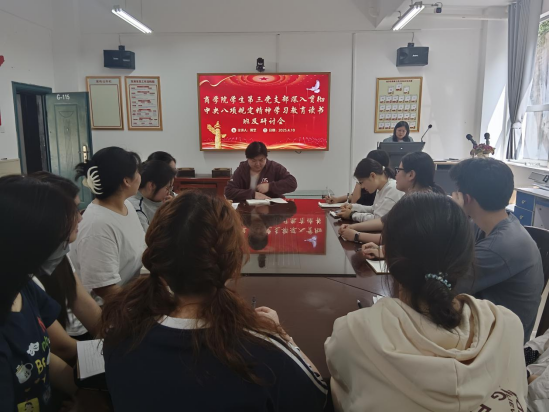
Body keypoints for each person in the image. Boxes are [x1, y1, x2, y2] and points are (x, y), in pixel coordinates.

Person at [101, 192, 328, 412]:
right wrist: (283, 337)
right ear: (232, 262)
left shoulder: (119, 335)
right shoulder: (265, 353)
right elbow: (319, 398)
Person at [325, 192, 529, 412]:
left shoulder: (353, 334)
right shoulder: (508, 325)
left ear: (388, 256)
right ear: (467, 258)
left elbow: (339, 384)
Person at [0, 176, 79, 412]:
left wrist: (84, 393)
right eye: (61, 240)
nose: (65, 248)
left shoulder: (23, 286)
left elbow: (43, 358)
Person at [450, 158, 544, 343]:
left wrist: (455, 216)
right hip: (484, 322)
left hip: (498, 343)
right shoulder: (491, 224)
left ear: (466, 198)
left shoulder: (500, 246)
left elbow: (447, 284)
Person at [68, 147, 146, 337]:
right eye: (137, 171)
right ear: (126, 181)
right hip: (98, 319)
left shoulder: (126, 206)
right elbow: (106, 290)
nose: (140, 176)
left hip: (125, 302)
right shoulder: (97, 225)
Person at [30, 172, 102, 340]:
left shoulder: (58, 252)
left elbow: (82, 303)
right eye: (72, 211)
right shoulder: (25, 274)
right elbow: (62, 348)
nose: (80, 218)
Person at [339, 152, 444, 246]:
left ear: (411, 175)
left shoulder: (419, 202)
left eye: (399, 170)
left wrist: (356, 235)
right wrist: (353, 227)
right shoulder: (411, 198)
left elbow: (394, 239)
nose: (395, 175)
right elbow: (384, 220)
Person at [336, 158, 403, 226]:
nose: (362, 187)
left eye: (362, 182)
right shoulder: (381, 188)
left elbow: (378, 220)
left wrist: (352, 215)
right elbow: (373, 209)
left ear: (372, 176)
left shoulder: (392, 189)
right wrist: (353, 207)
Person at [225, 141, 298, 202]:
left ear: (266, 158)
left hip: (273, 208)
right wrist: (253, 194)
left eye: (261, 160)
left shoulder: (274, 167)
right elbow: (229, 191)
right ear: (247, 159)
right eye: (253, 160)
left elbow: (292, 183)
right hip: (247, 209)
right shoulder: (242, 169)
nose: (257, 164)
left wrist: (270, 186)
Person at [325, 150, 394, 206]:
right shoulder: (375, 185)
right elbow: (353, 197)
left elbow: (355, 202)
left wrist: (359, 182)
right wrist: (337, 199)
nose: (362, 186)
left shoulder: (378, 188)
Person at [128, 160, 177, 232]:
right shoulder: (136, 208)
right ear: (152, 186)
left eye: (170, 188)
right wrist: (167, 214)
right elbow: (149, 237)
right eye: (167, 188)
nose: (169, 192)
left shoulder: (161, 199)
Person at [524, 329, 549, 412]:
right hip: (521, 381)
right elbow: (541, 342)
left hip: (534, 405)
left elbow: (540, 391)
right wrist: (529, 350)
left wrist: (526, 377)